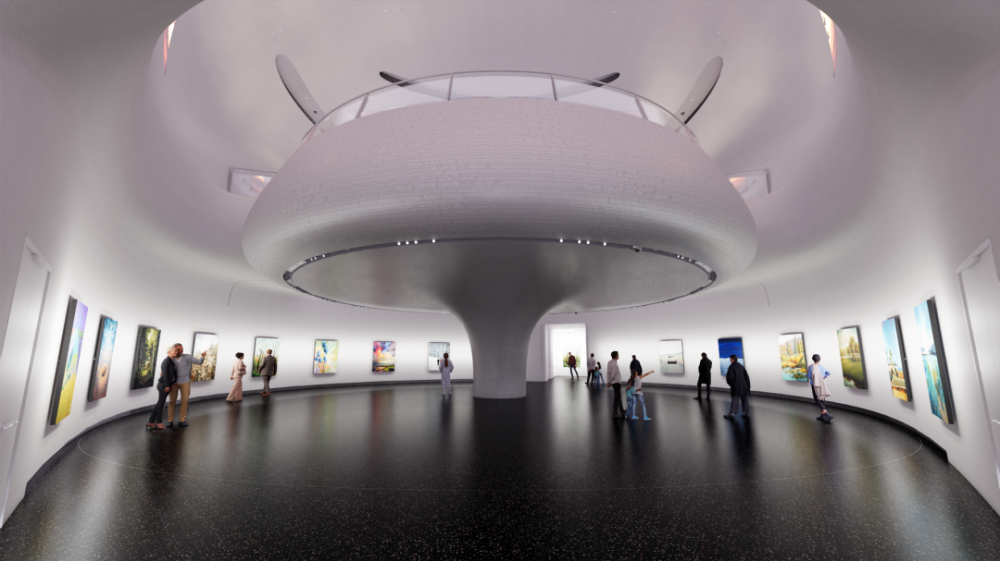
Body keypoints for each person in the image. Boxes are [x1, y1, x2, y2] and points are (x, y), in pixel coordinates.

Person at [165, 343, 205, 428]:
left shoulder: (188, 357)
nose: (181, 350)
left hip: (185, 382)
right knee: (172, 401)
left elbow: (199, 362)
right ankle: (170, 420)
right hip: (174, 383)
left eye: (182, 348)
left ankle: (182, 420)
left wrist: (202, 357)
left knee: (185, 401)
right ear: (174, 350)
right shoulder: (171, 358)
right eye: (179, 349)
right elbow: (165, 367)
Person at [147, 347, 178, 430]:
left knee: (159, 403)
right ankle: (159, 422)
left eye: (176, 351)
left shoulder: (171, 361)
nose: (176, 352)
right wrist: (167, 385)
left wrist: (171, 384)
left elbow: (172, 374)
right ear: (169, 352)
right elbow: (164, 374)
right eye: (174, 351)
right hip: (163, 385)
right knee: (161, 404)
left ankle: (150, 422)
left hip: (166, 384)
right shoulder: (167, 360)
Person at [723, 355, 751, 419]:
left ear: (733, 359)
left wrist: (732, 384)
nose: (729, 359)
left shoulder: (731, 367)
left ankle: (731, 413)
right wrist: (748, 386)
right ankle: (747, 413)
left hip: (736, 386)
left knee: (735, 400)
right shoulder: (741, 366)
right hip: (744, 386)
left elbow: (730, 378)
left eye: (730, 358)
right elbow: (746, 377)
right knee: (745, 400)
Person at [808, 354, 833, 423]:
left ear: (813, 360)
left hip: (814, 384)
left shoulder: (811, 367)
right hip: (821, 383)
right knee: (822, 398)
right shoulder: (822, 366)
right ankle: (822, 415)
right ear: (820, 359)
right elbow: (829, 373)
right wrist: (824, 376)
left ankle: (826, 413)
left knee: (817, 398)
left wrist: (808, 370)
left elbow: (809, 376)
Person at [606, 351, 627, 418]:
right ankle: (622, 412)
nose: (619, 355)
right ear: (616, 356)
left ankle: (614, 412)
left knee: (616, 397)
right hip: (616, 382)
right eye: (618, 354)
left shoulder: (609, 362)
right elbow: (612, 375)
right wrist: (609, 382)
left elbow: (608, 373)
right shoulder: (615, 364)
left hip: (613, 382)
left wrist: (608, 381)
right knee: (618, 397)